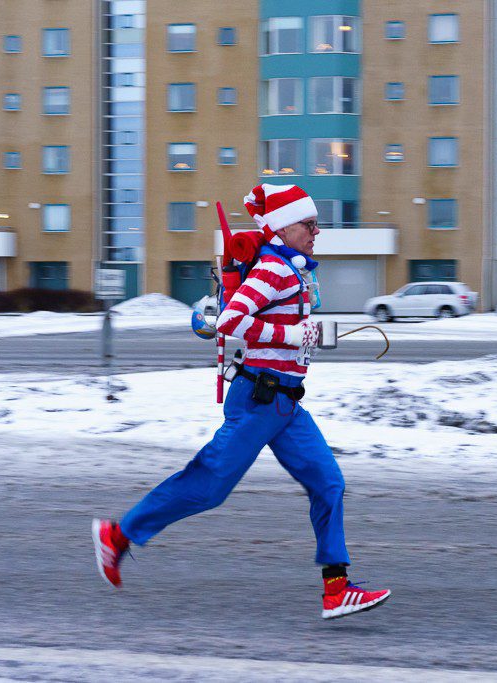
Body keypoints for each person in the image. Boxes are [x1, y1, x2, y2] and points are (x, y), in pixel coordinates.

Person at [92, 183, 390, 620]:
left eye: (316, 224)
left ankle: (336, 588)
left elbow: (282, 329)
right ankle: (119, 536)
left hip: (286, 405)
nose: (316, 231)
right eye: (309, 224)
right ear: (283, 227)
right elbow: (231, 322)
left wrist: (310, 337)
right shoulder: (274, 269)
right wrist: (292, 335)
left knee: (329, 483)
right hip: (258, 400)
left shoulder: (294, 268)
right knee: (210, 485)